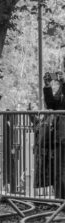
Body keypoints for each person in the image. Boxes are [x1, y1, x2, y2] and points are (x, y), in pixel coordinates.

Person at [41, 69, 65, 198]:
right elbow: (52, 104)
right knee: (59, 169)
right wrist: (47, 86)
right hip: (60, 134)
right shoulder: (62, 87)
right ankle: (60, 200)